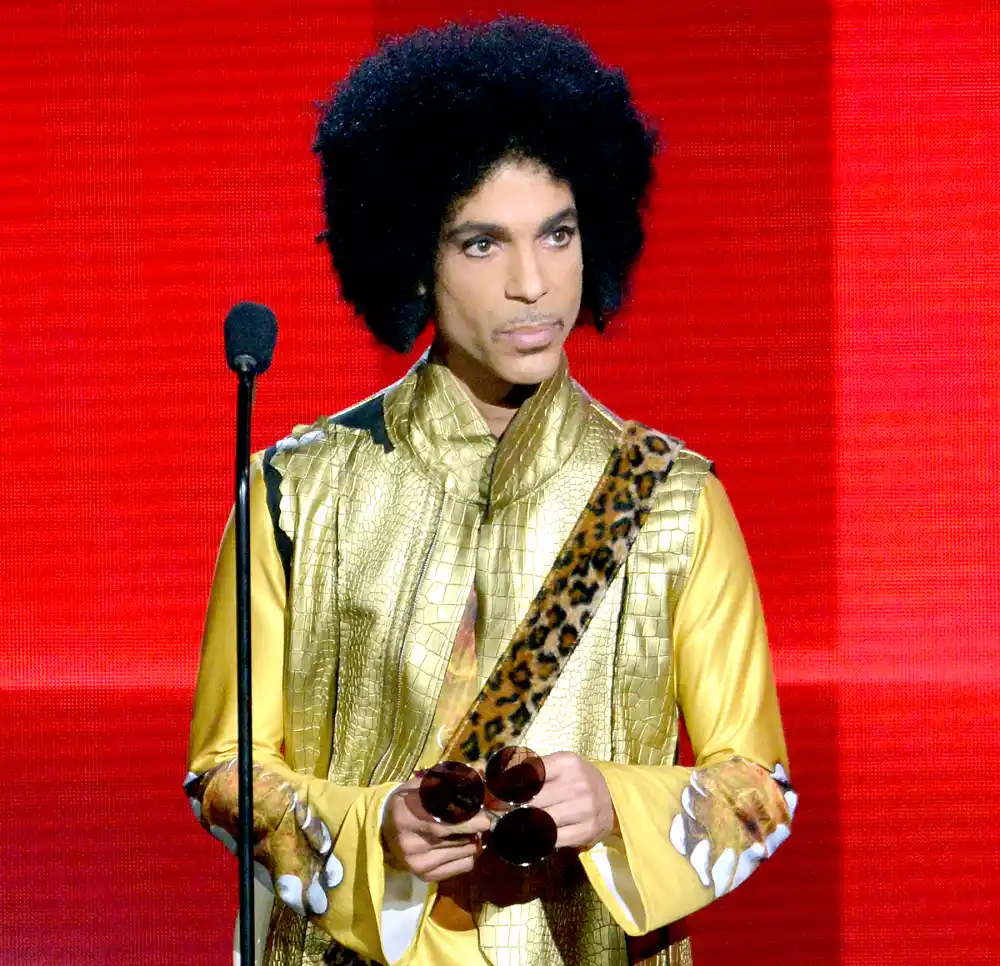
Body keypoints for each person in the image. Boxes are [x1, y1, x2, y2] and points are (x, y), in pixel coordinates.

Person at [185, 17, 796, 966]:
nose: (531, 284)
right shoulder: (293, 492)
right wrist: (370, 827)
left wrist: (619, 799)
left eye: (557, 234)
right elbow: (223, 772)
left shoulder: (673, 499)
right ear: (413, 264)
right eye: (481, 244)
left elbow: (759, 788)